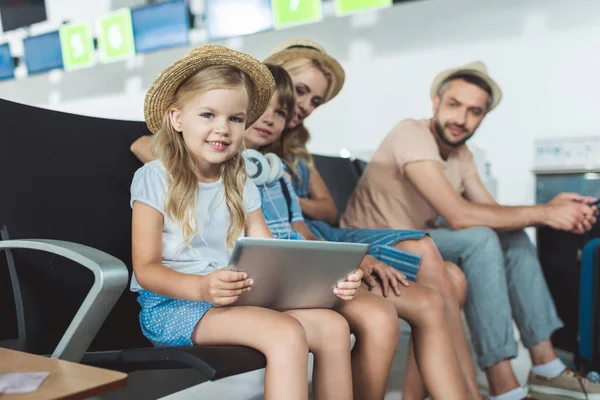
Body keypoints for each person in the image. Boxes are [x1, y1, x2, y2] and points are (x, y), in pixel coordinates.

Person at [342, 60, 600, 400]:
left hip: (419, 242)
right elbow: (461, 215)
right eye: (454, 105)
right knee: (479, 239)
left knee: (512, 235)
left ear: (483, 117)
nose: (461, 119)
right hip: (373, 242)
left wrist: (549, 212)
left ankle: (545, 365)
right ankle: (502, 382)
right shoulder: (411, 133)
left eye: (474, 111)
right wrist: (546, 213)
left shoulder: (461, 154)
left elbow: (491, 212)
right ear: (436, 102)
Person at [129, 45, 365, 400]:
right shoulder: (154, 177)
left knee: (333, 327)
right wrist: (202, 289)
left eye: (235, 119)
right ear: (177, 119)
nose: (222, 129)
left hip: (233, 300)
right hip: (176, 306)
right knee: (285, 333)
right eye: (208, 114)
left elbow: (271, 253)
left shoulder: (240, 180)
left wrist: (331, 278)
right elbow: (146, 269)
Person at [261, 39, 483, 399]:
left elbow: (318, 215)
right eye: (298, 94)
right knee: (435, 269)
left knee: (446, 276)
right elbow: (156, 146)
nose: (302, 107)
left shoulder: (289, 152)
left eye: (312, 101)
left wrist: (294, 199)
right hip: (298, 255)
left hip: (315, 240)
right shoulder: (240, 151)